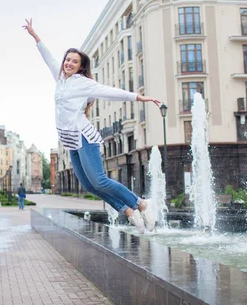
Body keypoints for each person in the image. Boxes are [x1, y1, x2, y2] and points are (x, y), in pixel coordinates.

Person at [23, 18, 160, 233]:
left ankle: (142, 204)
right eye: (67, 60)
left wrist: (139, 98)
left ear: (80, 66)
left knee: (100, 181)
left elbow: (111, 92)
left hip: (84, 137)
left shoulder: (84, 83)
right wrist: (35, 35)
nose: (68, 63)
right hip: (71, 141)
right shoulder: (60, 80)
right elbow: (47, 57)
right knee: (88, 185)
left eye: (74, 61)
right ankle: (128, 211)